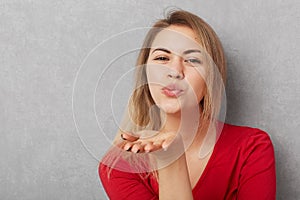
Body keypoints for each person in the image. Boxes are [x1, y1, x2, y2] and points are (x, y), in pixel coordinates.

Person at [99, 9, 276, 200]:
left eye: (192, 60)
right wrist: (170, 159)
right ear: (145, 74)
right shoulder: (117, 166)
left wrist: (172, 159)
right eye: (162, 58)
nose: (175, 71)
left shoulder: (252, 147)